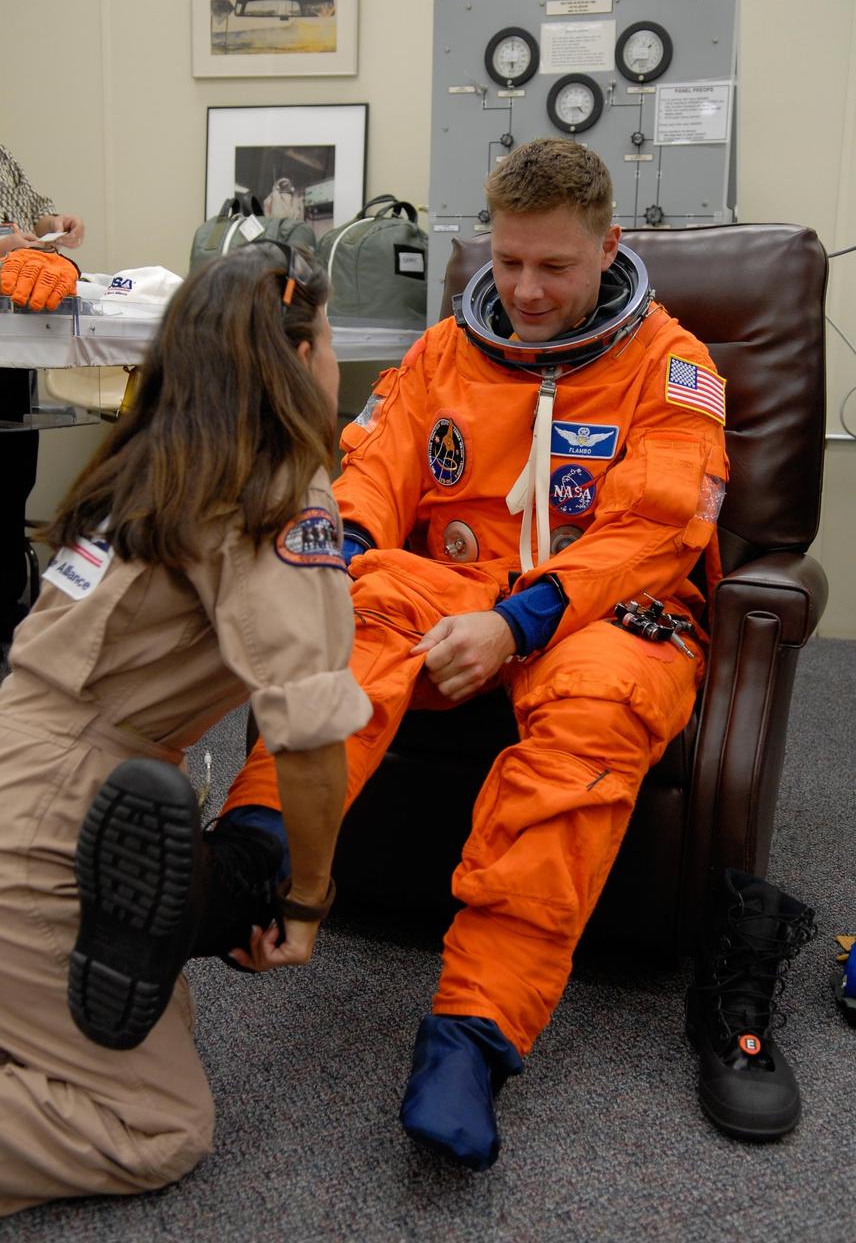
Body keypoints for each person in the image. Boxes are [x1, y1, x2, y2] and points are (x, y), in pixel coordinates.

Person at [218, 138, 729, 1169]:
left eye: (554, 266)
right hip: (452, 590)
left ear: (608, 247)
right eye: (505, 263)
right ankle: (243, 867)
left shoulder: (673, 367)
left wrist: (520, 620)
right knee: (346, 617)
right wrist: (342, 558)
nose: (526, 290)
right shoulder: (444, 353)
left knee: (595, 712)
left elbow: (655, 528)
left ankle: (471, 1034)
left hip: (602, 611)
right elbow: (368, 472)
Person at [0, 243, 371, 1216]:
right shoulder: (278, 489)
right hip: (55, 809)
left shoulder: (142, 458)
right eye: (328, 340)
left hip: (16, 739)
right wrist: (307, 897)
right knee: (153, 1120)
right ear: (296, 356)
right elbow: (306, 731)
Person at [0, 142, 85, 646]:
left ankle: (9, 616)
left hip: (11, 347)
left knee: (13, 482)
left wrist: (55, 223)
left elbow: (26, 210)